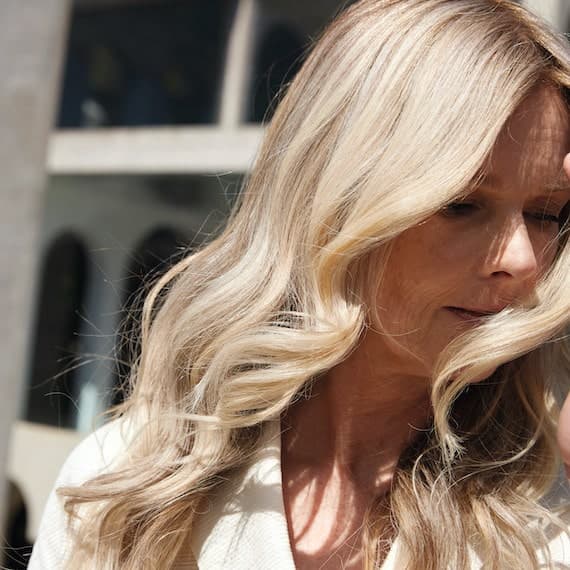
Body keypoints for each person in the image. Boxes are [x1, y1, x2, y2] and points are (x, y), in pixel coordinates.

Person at [29, 1, 570, 568]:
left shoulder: (545, 517)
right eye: (461, 204)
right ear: (337, 198)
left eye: (547, 213)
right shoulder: (129, 488)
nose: (523, 260)